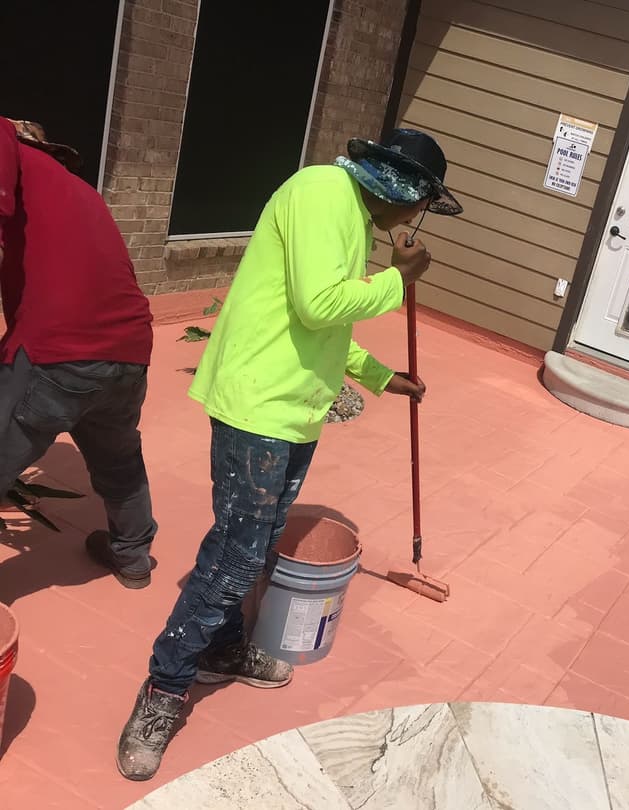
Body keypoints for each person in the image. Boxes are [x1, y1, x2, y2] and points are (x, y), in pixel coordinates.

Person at [117, 128, 463, 780]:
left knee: (256, 539)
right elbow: (319, 302)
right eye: (418, 206)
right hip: (260, 406)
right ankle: (163, 690)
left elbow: (324, 323)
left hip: (293, 409)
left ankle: (220, 647)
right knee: (238, 553)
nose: (412, 221)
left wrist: (380, 376)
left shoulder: (350, 215)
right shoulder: (323, 193)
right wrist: (398, 281)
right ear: (402, 190)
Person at [0, 117, 157, 589]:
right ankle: (132, 556)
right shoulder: (78, 192)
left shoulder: (7, 143)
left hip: (58, 350)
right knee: (119, 458)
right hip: (129, 349)